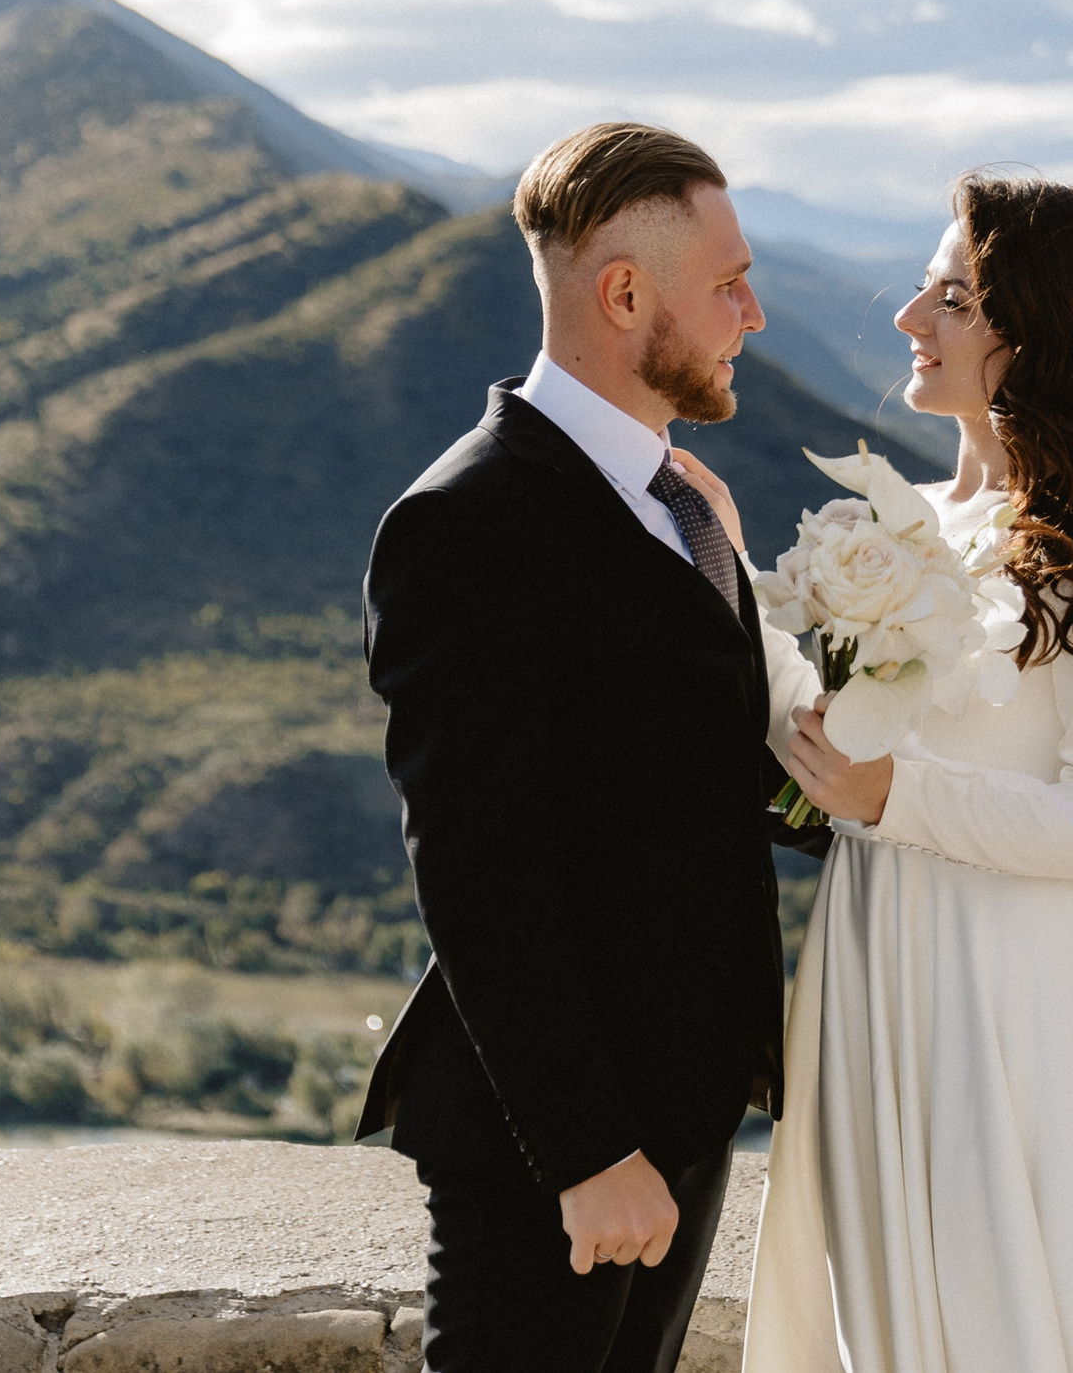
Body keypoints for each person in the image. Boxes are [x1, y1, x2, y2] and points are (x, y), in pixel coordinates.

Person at [744, 174, 1073, 1372]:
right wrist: (729, 580)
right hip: (869, 957)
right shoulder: (899, 526)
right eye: (925, 290)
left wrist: (896, 799)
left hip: (1013, 992)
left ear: (1037, 332)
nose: (909, 320)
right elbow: (830, 739)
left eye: (952, 298)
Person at [355, 122, 827, 1372]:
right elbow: (475, 864)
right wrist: (586, 1152)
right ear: (623, 295)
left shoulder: (689, 503)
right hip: (555, 1144)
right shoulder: (463, 522)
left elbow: (690, 770)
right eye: (728, 284)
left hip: (684, 1107)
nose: (753, 315)